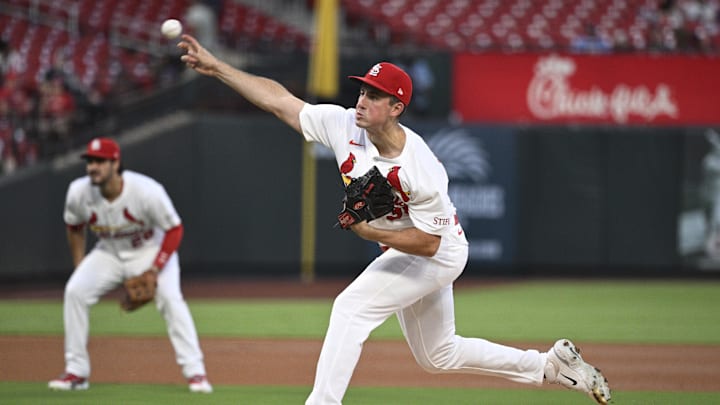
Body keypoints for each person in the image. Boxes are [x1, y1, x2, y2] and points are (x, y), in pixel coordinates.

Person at [177, 34, 612, 404]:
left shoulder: (422, 167)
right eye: (363, 90)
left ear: (397, 106)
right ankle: (550, 366)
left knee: (350, 308)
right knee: (437, 355)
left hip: (439, 251)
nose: (362, 100)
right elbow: (281, 103)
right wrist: (218, 67)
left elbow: (429, 244)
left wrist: (369, 229)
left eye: (374, 95)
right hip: (408, 244)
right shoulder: (343, 124)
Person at [48, 137, 213, 394]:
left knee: (171, 299)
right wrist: (79, 265)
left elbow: (174, 229)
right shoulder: (78, 192)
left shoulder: (146, 191)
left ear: (116, 163)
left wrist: (155, 268)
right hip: (108, 253)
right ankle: (76, 373)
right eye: (90, 161)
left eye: (100, 161)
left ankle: (196, 374)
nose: (93, 167)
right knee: (75, 291)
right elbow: (75, 227)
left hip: (150, 251)